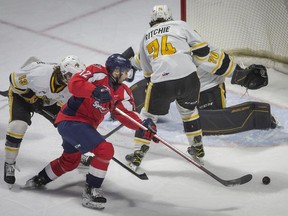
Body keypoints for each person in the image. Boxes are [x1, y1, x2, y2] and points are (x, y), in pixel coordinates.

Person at [125, 5, 269, 170]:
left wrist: (127, 65)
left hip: (172, 84)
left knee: (148, 115)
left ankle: (137, 154)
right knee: (190, 114)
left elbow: (144, 68)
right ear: (170, 18)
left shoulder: (147, 37)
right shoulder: (181, 27)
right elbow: (211, 56)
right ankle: (197, 148)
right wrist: (241, 74)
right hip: (192, 83)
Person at [24, 54, 158, 210]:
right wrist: (94, 91)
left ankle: (39, 179)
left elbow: (127, 115)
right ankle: (91, 191)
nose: (127, 75)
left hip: (84, 127)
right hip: (70, 120)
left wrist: (143, 126)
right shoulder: (97, 72)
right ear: (116, 71)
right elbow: (75, 84)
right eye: (125, 71)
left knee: (70, 161)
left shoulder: (123, 91)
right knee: (105, 150)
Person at [4, 55, 86, 188]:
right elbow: (14, 79)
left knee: (69, 126)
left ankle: (76, 153)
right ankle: (9, 163)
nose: (73, 79)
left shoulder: (70, 88)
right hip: (22, 96)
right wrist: (31, 98)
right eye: (71, 75)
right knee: (18, 127)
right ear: (63, 72)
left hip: (45, 100)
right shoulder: (41, 74)